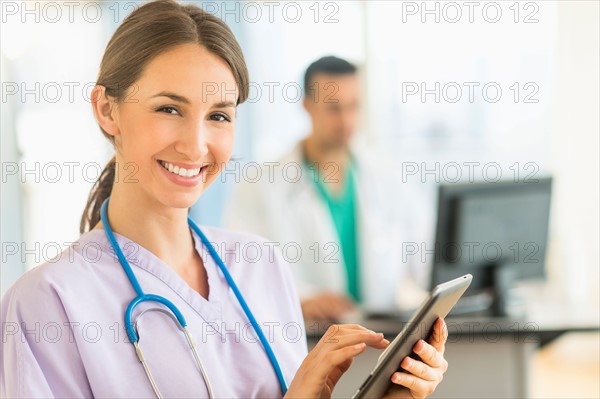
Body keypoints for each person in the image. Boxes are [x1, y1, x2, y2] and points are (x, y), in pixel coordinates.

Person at [0, 1, 448, 398]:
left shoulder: (261, 266)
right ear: (106, 109)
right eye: (169, 108)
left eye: (218, 116)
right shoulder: (47, 303)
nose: (196, 146)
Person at [223, 56, 432, 322]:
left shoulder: (389, 177)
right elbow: (241, 274)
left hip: (382, 335)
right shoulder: (260, 185)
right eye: (334, 108)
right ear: (307, 106)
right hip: (306, 339)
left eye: (353, 106)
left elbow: (425, 263)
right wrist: (300, 299)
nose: (346, 120)